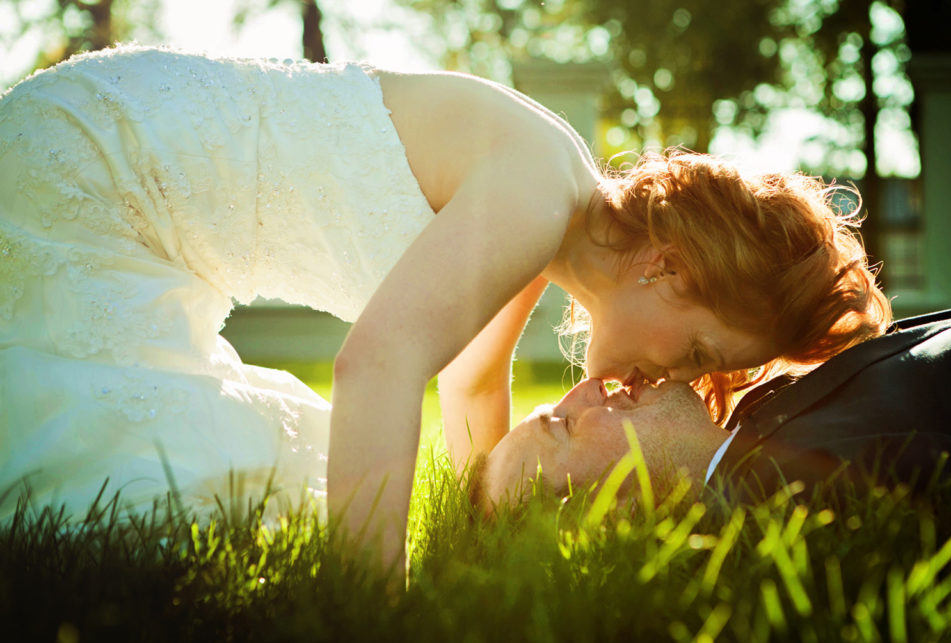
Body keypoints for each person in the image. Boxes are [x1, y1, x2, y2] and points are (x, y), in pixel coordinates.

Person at [0, 44, 886, 568]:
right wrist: (375, 605)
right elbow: (376, 366)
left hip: (147, 215)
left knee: (282, 475)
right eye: (695, 353)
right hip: (92, 167)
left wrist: (475, 532)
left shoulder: (556, 218)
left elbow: (470, 388)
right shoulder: (537, 195)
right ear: (667, 266)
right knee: (180, 473)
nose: (671, 379)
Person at [476, 297, 951, 508]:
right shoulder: (794, 496)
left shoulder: (755, 428)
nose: (588, 386)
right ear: (606, 515)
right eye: (562, 425)